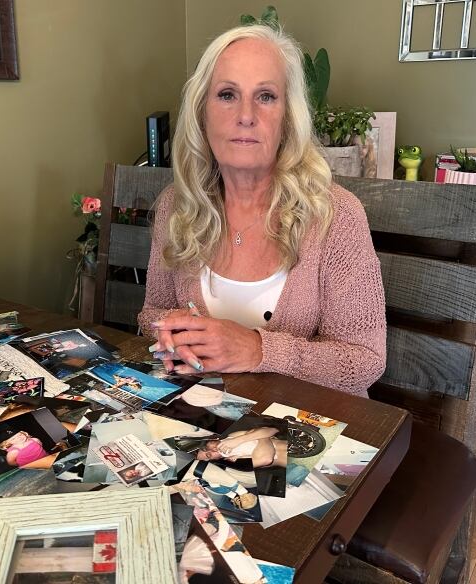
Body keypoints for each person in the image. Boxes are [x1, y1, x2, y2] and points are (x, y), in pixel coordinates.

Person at [138, 23, 385, 396]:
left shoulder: (337, 215)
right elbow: (152, 314)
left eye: (266, 96)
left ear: (287, 118)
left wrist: (257, 349)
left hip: (310, 431)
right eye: (227, 94)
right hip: (203, 420)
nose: (246, 115)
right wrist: (175, 333)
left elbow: (365, 362)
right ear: (202, 113)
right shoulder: (179, 204)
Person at [195, 427, 286, 469]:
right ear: (212, 459)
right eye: (209, 454)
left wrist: (238, 440)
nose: (213, 449)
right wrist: (259, 434)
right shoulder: (236, 462)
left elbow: (273, 430)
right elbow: (266, 459)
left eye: (207, 447)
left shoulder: (231, 437)